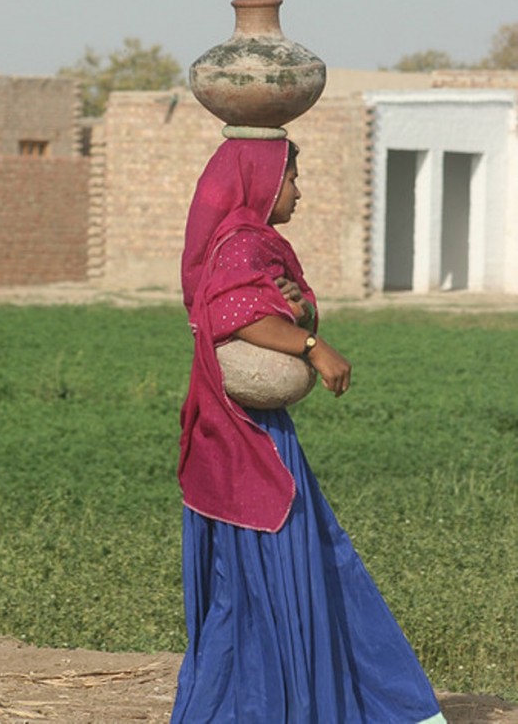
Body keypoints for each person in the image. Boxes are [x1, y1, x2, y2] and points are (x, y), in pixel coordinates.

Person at [170, 138, 446, 724]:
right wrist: (314, 347)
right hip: (248, 434)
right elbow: (230, 316)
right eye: (293, 178)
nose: (299, 190)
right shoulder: (242, 241)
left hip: (250, 430)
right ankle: (283, 703)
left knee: (256, 574)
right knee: (283, 565)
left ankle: (264, 697)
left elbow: (263, 307)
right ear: (263, 182)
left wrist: (299, 308)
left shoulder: (253, 243)